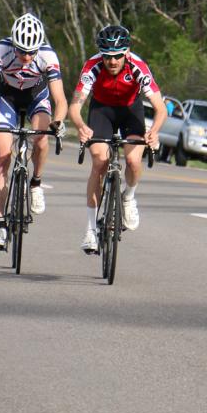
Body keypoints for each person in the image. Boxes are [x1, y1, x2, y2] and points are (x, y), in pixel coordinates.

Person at [68, 23, 167, 254]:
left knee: (133, 161)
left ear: (127, 52)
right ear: (101, 54)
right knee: (100, 162)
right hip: (101, 109)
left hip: (130, 110)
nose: (112, 62)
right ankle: (91, 230)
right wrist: (81, 126)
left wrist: (154, 131)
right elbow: (75, 106)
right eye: (108, 56)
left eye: (118, 56)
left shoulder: (138, 66)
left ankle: (129, 197)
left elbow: (160, 108)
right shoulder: (92, 66)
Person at [0, 12, 68, 251]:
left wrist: (58, 122)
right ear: (14, 45)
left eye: (31, 52)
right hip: (7, 98)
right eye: (21, 51)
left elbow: (60, 98)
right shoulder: (1, 50)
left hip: (36, 97)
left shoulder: (48, 55)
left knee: (40, 139)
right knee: (3, 156)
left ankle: (36, 183)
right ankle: (0, 225)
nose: (26, 56)